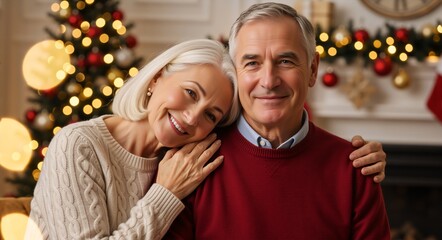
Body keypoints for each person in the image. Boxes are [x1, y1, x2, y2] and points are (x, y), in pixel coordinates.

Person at [165, 2, 390, 239]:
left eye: (285, 61)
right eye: (252, 63)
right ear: (235, 74)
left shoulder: (356, 169)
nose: (269, 81)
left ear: (313, 69)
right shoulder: (193, 164)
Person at [24, 39, 242, 239]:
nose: (193, 117)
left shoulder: (184, 169)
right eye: (191, 93)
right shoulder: (77, 144)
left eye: (210, 115)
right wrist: (166, 194)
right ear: (156, 78)